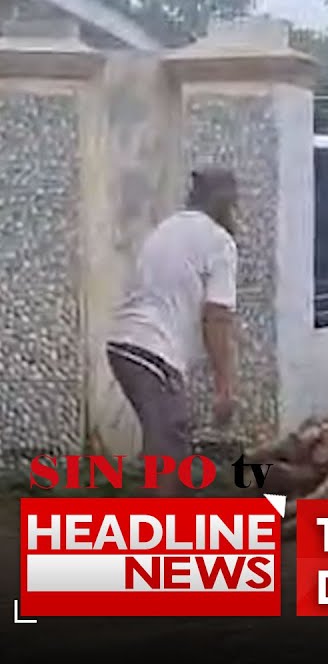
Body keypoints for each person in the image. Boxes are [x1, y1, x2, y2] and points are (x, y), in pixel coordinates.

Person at [107, 169, 238, 497]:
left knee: (168, 437)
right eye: (233, 204)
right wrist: (224, 387)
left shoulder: (169, 227)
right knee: (170, 440)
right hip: (151, 349)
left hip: (125, 345)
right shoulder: (219, 241)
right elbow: (217, 317)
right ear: (222, 202)